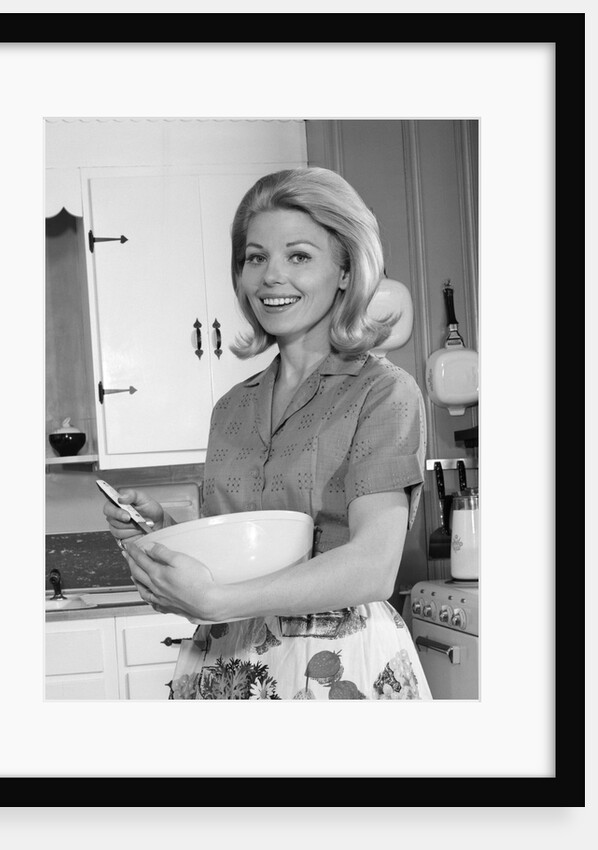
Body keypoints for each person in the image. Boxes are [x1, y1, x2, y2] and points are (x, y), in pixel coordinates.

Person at [104, 167, 432, 701]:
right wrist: (164, 531)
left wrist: (216, 603)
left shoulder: (383, 392)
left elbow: (374, 566)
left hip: (336, 669)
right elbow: (238, 556)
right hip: (227, 662)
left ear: (347, 270)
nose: (270, 277)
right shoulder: (231, 408)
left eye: (298, 256)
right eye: (255, 258)